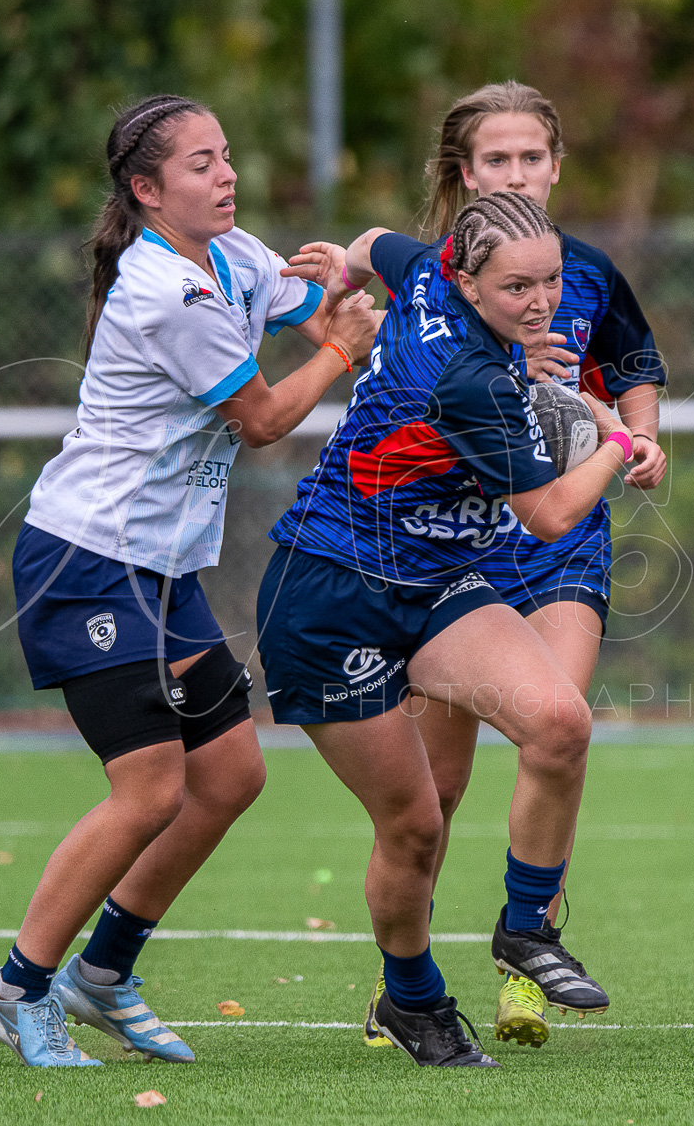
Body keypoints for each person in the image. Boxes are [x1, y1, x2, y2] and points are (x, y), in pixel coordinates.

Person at [0, 94, 378, 1068]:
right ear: (147, 191)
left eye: (227, 155)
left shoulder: (232, 255)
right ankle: (18, 987)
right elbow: (265, 417)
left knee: (231, 774)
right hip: (87, 560)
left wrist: (342, 278)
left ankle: (102, 974)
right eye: (201, 164)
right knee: (150, 788)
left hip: (158, 568)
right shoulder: (161, 289)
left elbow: (308, 301)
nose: (227, 174)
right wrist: (341, 348)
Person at [260, 190, 633, 1067]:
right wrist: (618, 443)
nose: (541, 303)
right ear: (465, 279)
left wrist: (338, 281)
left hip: (433, 579)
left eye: (552, 280)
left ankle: (526, 930)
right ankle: (414, 1000)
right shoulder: (470, 379)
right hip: (329, 591)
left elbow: (370, 242)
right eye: (516, 289)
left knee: (559, 723)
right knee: (416, 825)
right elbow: (547, 514)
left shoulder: (426, 266)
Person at [376, 81, 668, 1050]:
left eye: (531, 158)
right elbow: (369, 258)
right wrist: (334, 284)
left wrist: (640, 437)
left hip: (562, 545)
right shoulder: (429, 276)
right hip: (453, 550)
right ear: (464, 176)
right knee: (436, 792)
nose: (516, 175)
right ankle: (403, 985)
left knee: (558, 732)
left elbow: (633, 371)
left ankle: (526, 957)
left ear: (556, 166)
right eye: (494, 161)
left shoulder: (585, 273)